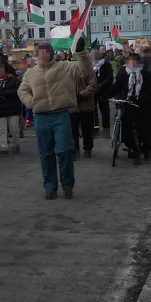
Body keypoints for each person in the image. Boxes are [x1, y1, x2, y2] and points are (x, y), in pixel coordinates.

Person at [18, 40, 93, 200]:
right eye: (40, 53)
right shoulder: (31, 73)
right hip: (41, 117)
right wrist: (32, 103)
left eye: (47, 52)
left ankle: (67, 185)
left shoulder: (64, 67)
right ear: (37, 55)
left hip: (61, 115)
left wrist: (81, 52)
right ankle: (50, 187)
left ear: (51, 54)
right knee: (46, 154)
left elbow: (85, 69)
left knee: (64, 151)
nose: (44, 56)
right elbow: (22, 90)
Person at [108, 52, 151, 163]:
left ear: (138, 62)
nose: (133, 63)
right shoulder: (123, 74)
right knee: (125, 124)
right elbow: (116, 87)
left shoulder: (146, 74)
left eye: (135, 61)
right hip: (128, 104)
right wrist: (105, 95)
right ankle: (132, 148)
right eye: (130, 61)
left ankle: (146, 148)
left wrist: (142, 99)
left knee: (146, 126)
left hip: (143, 105)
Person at [0, 59, 22, 157]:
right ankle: (3, 147)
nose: (1, 70)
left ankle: (16, 144)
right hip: (0, 109)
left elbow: (18, 91)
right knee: (2, 129)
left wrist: (4, 93)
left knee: (14, 128)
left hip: (13, 108)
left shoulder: (14, 80)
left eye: (2, 68)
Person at [71, 68, 97, 159]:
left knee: (87, 130)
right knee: (73, 130)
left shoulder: (89, 70)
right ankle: (75, 150)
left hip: (86, 105)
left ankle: (88, 149)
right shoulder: (69, 69)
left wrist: (81, 95)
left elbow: (92, 86)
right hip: (73, 106)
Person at [93, 50, 114, 139]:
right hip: (93, 91)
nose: (94, 59)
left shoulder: (106, 64)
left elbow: (110, 78)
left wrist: (101, 86)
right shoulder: (91, 66)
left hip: (103, 91)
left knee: (105, 110)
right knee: (93, 111)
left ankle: (106, 128)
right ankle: (95, 128)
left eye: (95, 57)